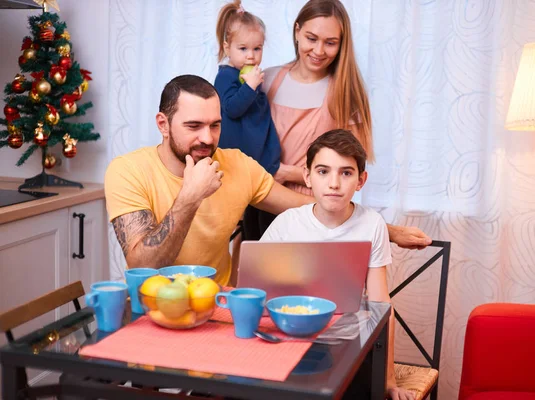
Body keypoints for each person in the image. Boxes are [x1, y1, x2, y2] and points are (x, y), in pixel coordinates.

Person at [105, 75, 311, 286]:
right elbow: (143, 268)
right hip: (150, 306)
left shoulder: (238, 165)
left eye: (215, 125)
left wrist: (337, 186)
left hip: (217, 304)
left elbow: (309, 210)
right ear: (163, 125)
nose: (208, 138)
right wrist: (190, 197)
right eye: (194, 126)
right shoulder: (127, 170)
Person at [260, 0, 431, 249]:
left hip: (319, 211)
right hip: (263, 201)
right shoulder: (267, 80)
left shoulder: (346, 92)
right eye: (311, 38)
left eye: (330, 42)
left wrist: (287, 172)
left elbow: (351, 169)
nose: (319, 50)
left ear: (342, 43)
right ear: (297, 31)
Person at [261, 129, 415, 400]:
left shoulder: (372, 225)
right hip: (290, 341)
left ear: (360, 180)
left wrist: (388, 379)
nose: (334, 183)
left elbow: (381, 306)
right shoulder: (287, 223)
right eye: (323, 172)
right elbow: (258, 294)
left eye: (346, 173)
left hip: (347, 347)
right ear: (307, 177)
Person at [214, 0, 281, 239]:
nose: (251, 57)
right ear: (227, 47)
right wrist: (251, 86)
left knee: (266, 211)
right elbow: (232, 108)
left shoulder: (250, 74)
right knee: (253, 216)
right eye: (243, 49)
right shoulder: (225, 77)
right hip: (242, 157)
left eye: (257, 49)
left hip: (260, 155)